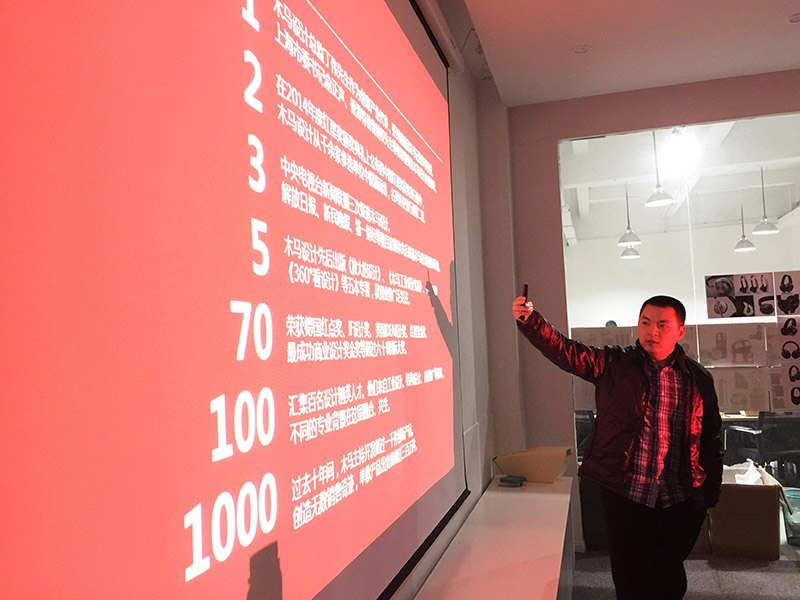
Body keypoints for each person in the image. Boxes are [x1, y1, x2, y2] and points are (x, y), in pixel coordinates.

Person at [512, 293, 722, 600]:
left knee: (669, 575)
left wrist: (710, 490)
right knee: (629, 577)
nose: (652, 331)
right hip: (627, 491)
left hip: (679, 495)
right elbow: (565, 351)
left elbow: (710, 437)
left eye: (662, 325)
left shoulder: (698, 378)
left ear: (680, 331)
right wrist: (531, 322)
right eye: (645, 323)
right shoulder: (614, 364)